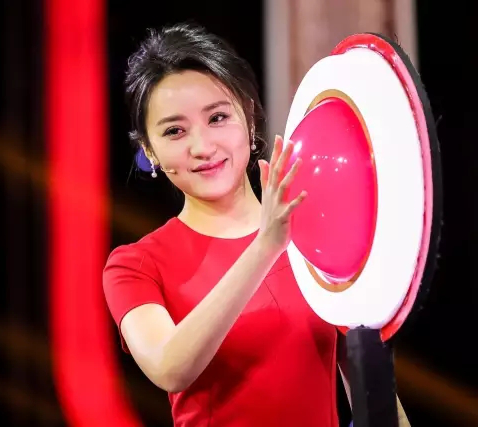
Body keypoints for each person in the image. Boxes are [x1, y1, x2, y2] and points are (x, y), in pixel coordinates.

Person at [103, 23, 408, 426]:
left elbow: (369, 383)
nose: (202, 147)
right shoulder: (135, 265)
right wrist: (266, 246)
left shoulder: (312, 237)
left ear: (248, 117)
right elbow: (169, 367)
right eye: (175, 131)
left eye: (217, 118)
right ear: (149, 149)